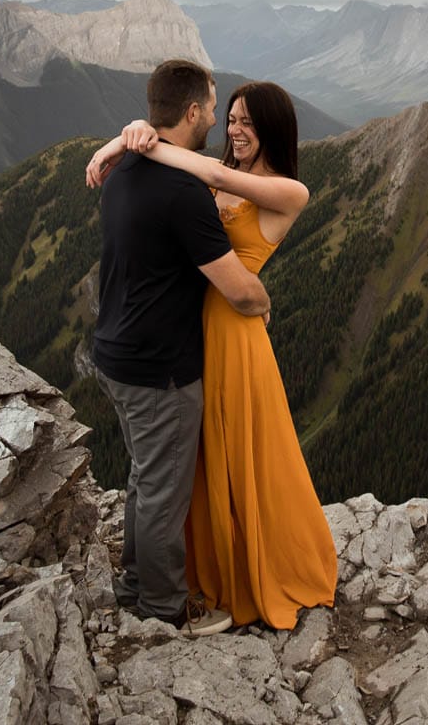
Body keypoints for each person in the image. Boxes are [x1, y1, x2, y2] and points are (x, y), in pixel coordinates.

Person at [86, 80, 337, 629]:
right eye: (232, 118)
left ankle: (244, 570)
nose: (236, 130)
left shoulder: (290, 190)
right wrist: (126, 137)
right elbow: (202, 166)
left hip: (235, 332)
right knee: (193, 464)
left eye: (248, 121)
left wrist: (133, 141)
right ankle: (200, 570)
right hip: (195, 329)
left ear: (274, 128)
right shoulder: (207, 171)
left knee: (238, 455)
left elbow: (219, 178)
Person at [90, 59, 271, 638]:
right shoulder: (181, 192)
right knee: (164, 490)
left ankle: (133, 586)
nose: (218, 120)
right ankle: (166, 610)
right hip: (159, 367)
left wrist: (121, 137)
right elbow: (238, 291)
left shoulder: (123, 170)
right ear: (191, 112)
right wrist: (264, 302)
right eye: (213, 108)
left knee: (146, 478)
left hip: (115, 355)